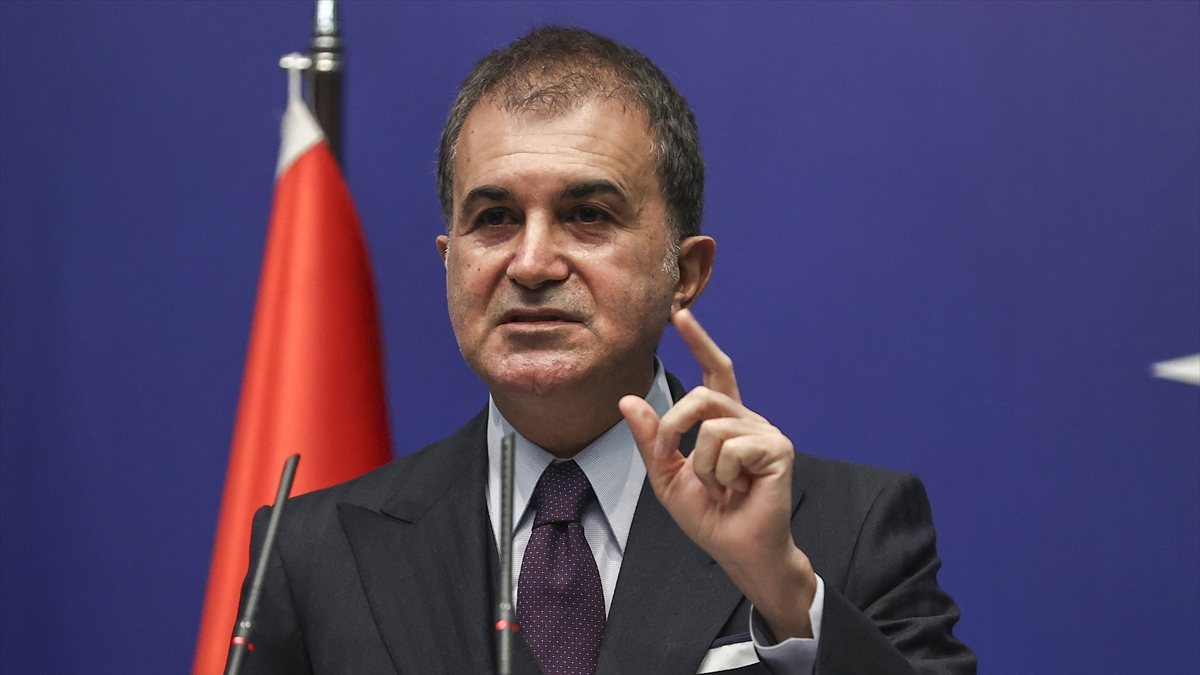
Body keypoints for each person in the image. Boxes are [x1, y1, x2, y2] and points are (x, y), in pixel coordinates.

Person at [233, 26, 976, 674]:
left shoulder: (848, 527)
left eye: (587, 214)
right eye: (494, 218)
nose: (530, 264)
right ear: (449, 262)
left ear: (685, 273)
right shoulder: (308, 552)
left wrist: (784, 593)